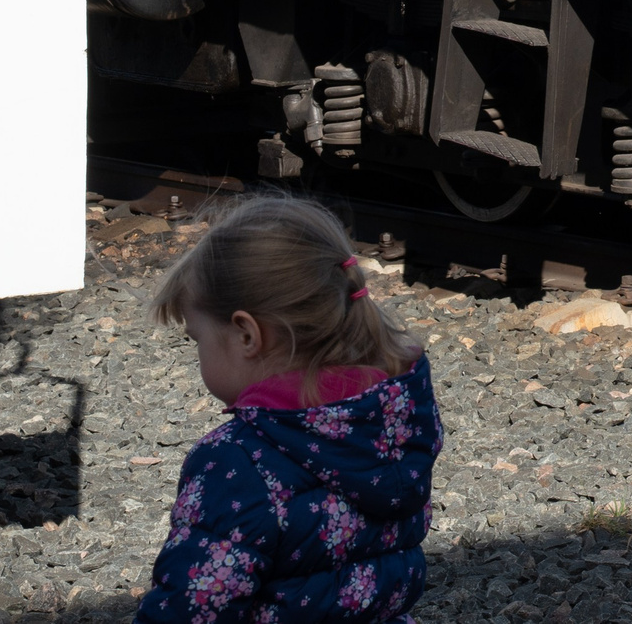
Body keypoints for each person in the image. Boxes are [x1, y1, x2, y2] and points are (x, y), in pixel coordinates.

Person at [139, 190, 439, 623]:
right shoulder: (397, 419)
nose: (197, 353)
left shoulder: (237, 462)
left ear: (246, 335)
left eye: (196, 338)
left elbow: (194, 609)